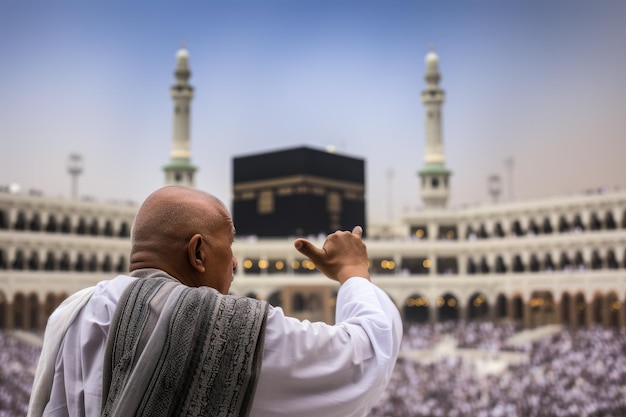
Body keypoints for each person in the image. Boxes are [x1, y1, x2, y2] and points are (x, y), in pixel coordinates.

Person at [28, 185, 402, 417]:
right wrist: (353, 271)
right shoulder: (219, 327)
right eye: (231, 246)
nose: (236, 262)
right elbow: (363, 358)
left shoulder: (74, 312)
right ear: (198, 253)